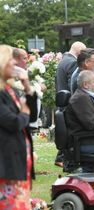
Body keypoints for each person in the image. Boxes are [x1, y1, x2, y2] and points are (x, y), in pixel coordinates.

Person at [0, 44, 38, 209]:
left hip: (18, 160)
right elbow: (13, 122)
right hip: (6, 161)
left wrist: (27, 86)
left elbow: (32, 116)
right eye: (11, 61)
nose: (15, 65)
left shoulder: (10, 90)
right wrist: (23, 113)